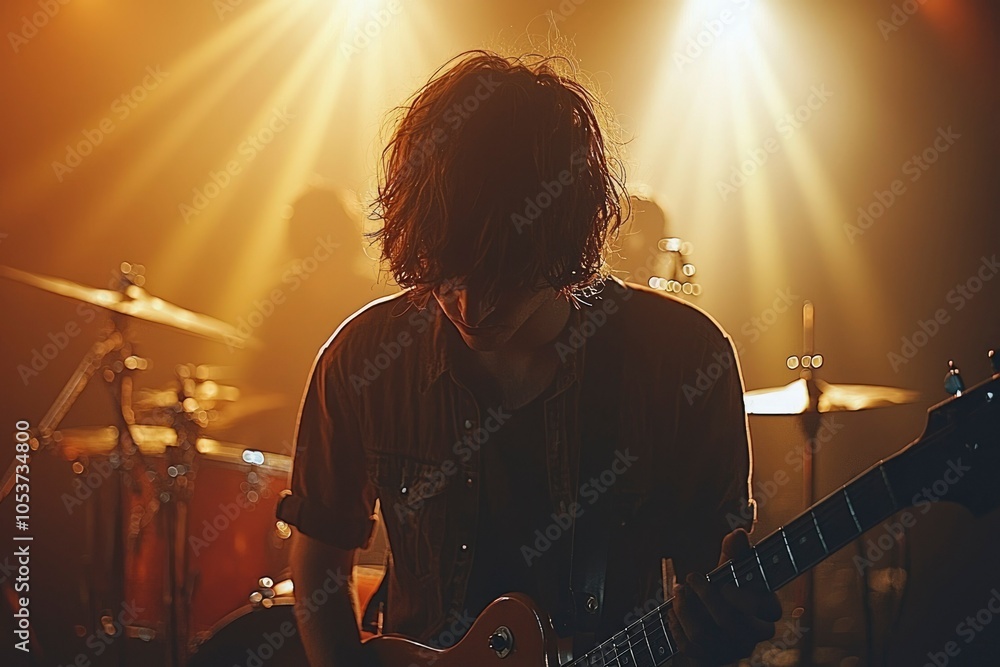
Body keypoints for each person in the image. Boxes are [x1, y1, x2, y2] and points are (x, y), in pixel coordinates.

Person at [276, 50, 781, 667]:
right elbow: (320, 557)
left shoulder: (683, 360)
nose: (469, 304)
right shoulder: (363, 360)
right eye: (446, 269)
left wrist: (726, 627)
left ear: (565, 238)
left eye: (502, 273)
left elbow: (710, 591)